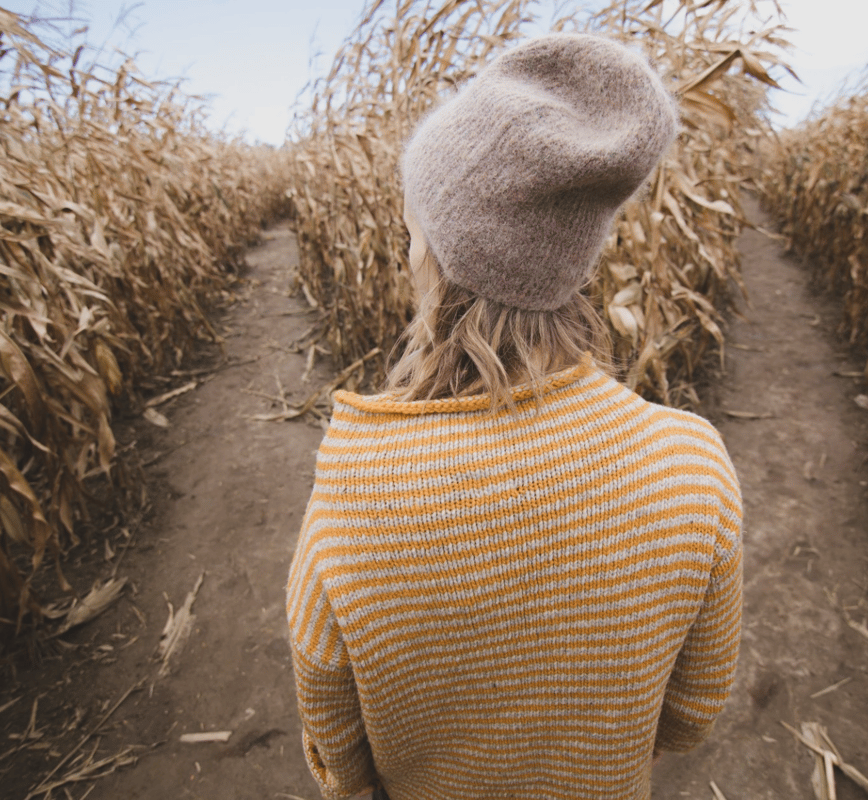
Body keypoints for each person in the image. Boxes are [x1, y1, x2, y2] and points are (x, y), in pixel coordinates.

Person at [285, 32, 743, 800]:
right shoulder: (693, 467)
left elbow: (337, 755)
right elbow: (693, 715)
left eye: (413, 226)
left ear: (437, 255)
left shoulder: (354, 498)